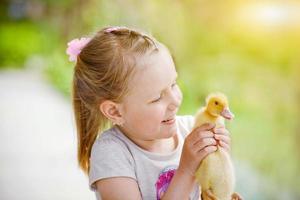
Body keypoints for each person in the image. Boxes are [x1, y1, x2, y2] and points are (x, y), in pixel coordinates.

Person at [67, 26, 231, 200]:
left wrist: (218, 158)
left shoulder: (190, 129)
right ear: (115, 111)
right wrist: (187, 170)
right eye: (157, 98)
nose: (175, 101)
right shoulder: (111, 155)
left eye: (173, 84)